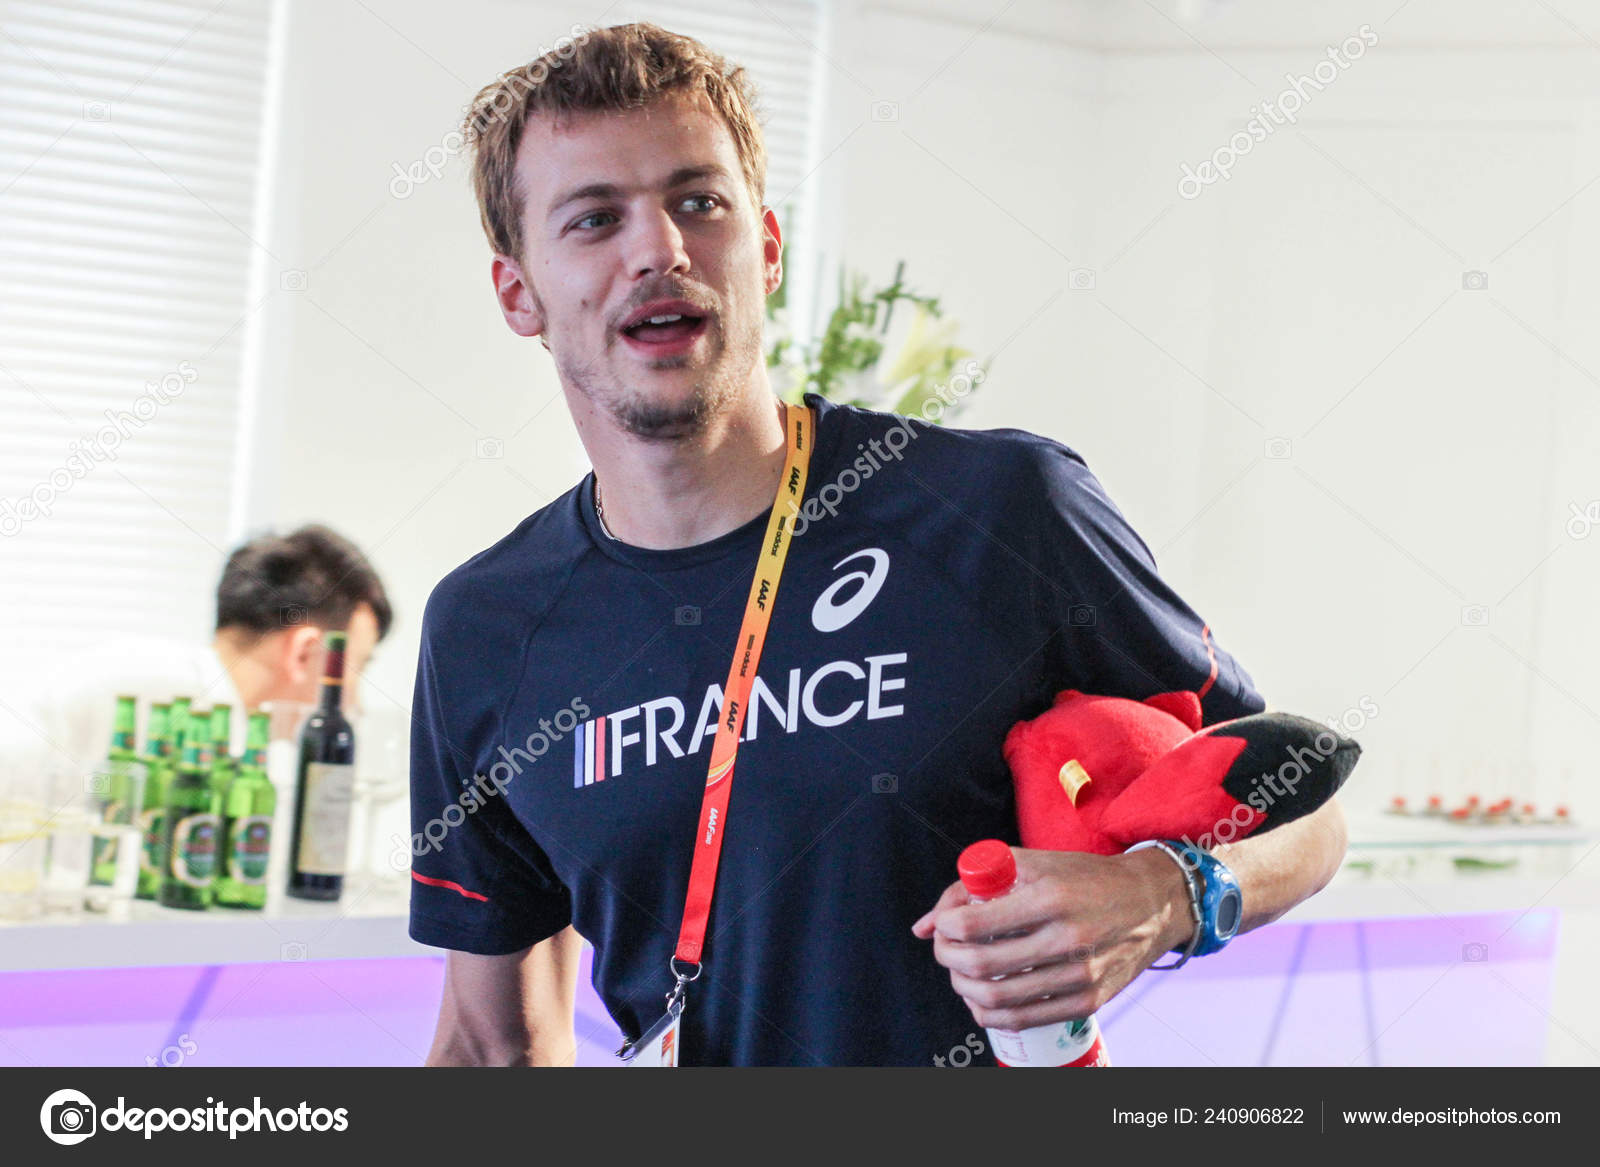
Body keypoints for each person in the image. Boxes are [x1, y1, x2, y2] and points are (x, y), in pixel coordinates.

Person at [408, 22, 1347, 1067]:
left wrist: (1163, 896)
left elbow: (1300, 811)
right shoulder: (489, 626)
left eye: (697, 202)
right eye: (594, 219)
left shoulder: (998, 508)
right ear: (518, 294)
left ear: (762, 247)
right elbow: (494, 1042)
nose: (660, 250)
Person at [8, 523, 391, 778]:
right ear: (304, 654)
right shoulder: (127, 686)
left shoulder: (256, 759)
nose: (354, 703)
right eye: (355, 668)